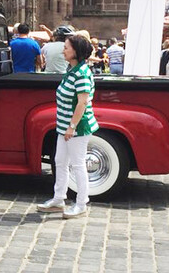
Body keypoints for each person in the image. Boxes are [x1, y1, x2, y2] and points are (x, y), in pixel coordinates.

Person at [37, 34, 99, 219]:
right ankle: (59, 199)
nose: (63, 50)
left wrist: (72, 127)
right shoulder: (72, 70)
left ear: (76, 52)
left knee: (78, 165)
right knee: (60, 162)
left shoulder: (81, 74)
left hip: (77, 128)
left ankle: (81, 203)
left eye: (66, 47)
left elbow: (82, 103)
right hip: (65, 126)